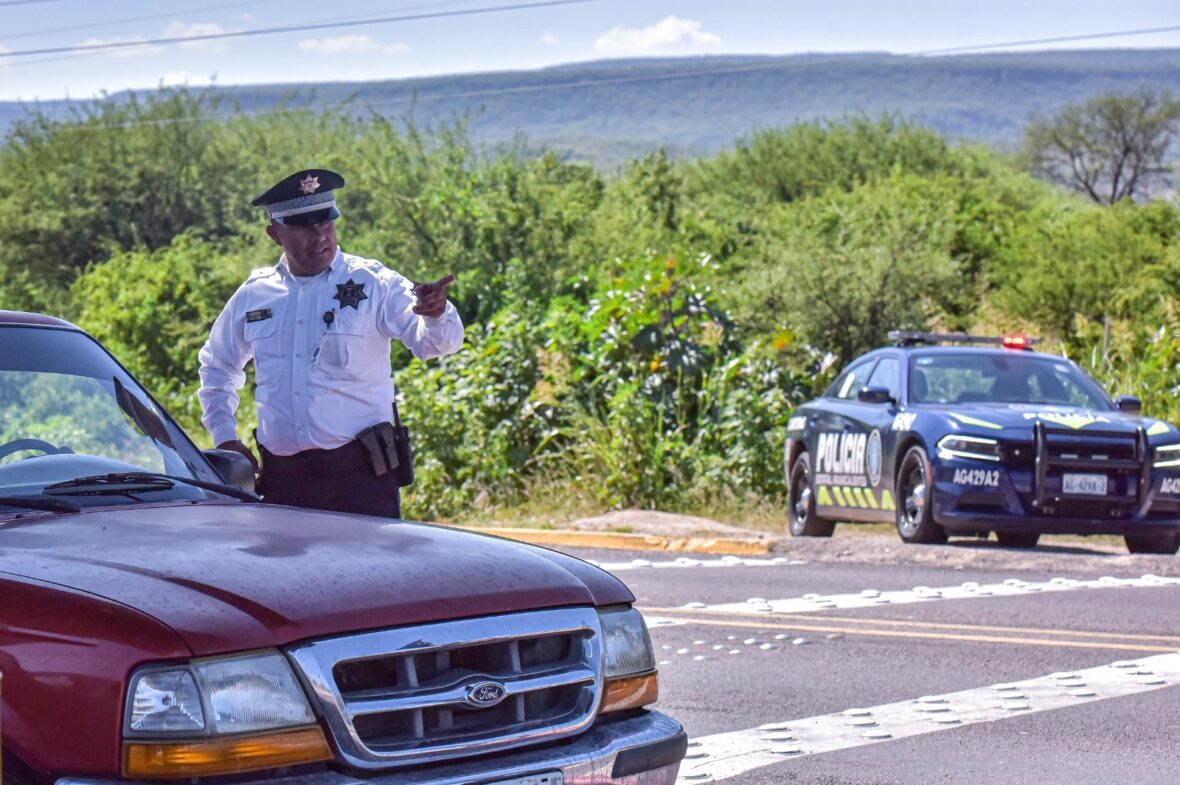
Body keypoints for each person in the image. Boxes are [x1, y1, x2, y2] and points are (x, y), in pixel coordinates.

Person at [197, 168, 463, 518]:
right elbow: (218, 367)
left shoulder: (374, 283)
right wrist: (224, 438)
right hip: (283, 482)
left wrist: (436, 313)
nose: (320, 236)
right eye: (305, 227)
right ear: (275, 234)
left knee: (371, 573)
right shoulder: (255, 295)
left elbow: (435, 345)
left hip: (360, 480)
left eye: (327, 224)